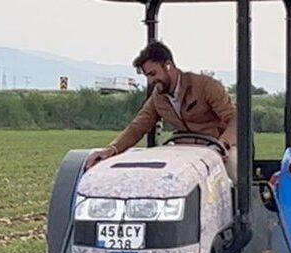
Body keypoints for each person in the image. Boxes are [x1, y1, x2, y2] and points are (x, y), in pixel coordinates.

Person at [85, 42, 238, 180]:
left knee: (231, 164)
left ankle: (235, 208)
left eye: (153, 74)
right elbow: (138, 126)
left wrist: (221, 145)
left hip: (218, 148)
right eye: (147, 76)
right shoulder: (158, 97)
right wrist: (111, 150)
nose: (151, 81)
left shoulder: (206, 86)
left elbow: (235, 120)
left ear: (168, 66)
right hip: (185, 149)